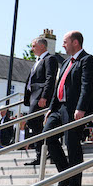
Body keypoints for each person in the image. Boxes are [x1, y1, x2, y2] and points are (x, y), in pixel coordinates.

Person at [45, 31, 93, 186]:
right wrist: (51, 108)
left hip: (75, 109)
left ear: (75, 43)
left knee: (72, 145)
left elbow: (86, 86)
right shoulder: (67, 61)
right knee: (48, 136)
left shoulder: (87, 60)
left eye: (65, 41)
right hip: (59, 108)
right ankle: (65, 175)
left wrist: (81, 107)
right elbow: (58, 86)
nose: (62, 45)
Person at [23, 36, 59, 165]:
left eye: (34, 46)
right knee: (35, 124)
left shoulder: (50, 59)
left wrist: (44, 96)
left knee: (32, 122)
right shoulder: (38, 60)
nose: (32, 49)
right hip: (33, 96)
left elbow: (50, 79)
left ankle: (46, 151)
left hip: (40, 97)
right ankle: (42, 154)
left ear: (42, 46)